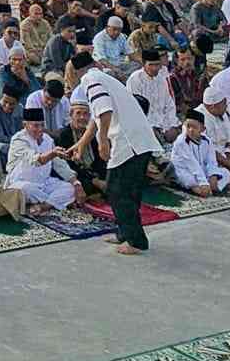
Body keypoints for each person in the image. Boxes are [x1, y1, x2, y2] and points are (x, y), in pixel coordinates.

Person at [65, 53, 161, 255]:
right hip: (135, 139)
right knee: (121, 189)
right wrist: (82, 143)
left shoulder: (90, 79)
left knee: (119, 191)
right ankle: (124, 233)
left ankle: (135, 241)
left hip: (129, 142)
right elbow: (96, 115)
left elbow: (105, 111)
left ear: (74, 72)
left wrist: (102, 141)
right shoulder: (101, 78)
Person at [3, 107, 84, 213]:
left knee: (69, 188)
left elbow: (60, 165)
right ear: (25, 125)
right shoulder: (19, 140)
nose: (40, 129)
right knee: (24, 190)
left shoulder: (48, 139)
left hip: (44, 184)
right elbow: (37, 160)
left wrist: (76, 184)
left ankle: (44, 206)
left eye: (42, 125)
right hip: (21, 183)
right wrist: (53, 153)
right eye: (36, 125)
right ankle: (54, 202)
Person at [170, 110, 230, 197]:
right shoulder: (181, 141)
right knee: (188, 180)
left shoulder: (207, 140)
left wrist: (213, 176)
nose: (191, 130)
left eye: (194, 127)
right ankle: (212, 187)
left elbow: (211, 161)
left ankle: (213, 186)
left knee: (226, 172)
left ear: (203, 129)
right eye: (188, 126)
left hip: (201, 170)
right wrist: (203, 182)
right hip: (185, 170)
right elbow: (192, 164)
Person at [127, 49, 181, 143]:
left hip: (163, 120)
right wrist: (154, 126)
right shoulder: (135, 79)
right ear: (144, 64)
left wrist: (170, 124)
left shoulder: (161, 78)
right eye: (151, 65)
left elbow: (169, 104)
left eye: (157, 64)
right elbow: (137, 108)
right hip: (145, 122)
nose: (155, 68)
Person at [55, 102, 107, 196]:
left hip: (91, 172)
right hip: (75, 174)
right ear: (71, 115)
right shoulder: (64, 135)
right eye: (78, 113)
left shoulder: (90, 134)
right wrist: (94, 181)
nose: (82, 117)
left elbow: (98, 159)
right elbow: (68, 165)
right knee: (82, 186)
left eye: (85, 114)